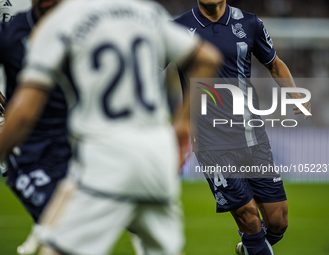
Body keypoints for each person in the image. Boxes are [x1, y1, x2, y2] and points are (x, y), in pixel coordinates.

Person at [0, 0, 222, 254]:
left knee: (56, 250)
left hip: (108, 157)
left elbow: (24, 113)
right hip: (158, 155)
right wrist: (183, 125)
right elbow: (209, 58)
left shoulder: (59, 22)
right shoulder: (145, 12)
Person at [174, 1, 311, 255]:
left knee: (278, 221)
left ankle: (249, 247)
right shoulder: (178, 29)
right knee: (249, 217)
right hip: (210, 142)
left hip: (252, 136)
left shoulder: (249, 23)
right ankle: (253, 241)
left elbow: (275, 63)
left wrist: (293, 93)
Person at [0, 0, 71, 254]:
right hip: (29, 149)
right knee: (65, 230)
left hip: (74, 144)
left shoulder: (83, 25)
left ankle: (42, 233)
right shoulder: (13, 31)